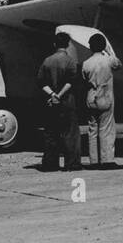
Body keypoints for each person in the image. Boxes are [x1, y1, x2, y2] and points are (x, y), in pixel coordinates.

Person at [38, 32, 81, 171]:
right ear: (68, 45)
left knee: (51, 133)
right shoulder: (70, 61)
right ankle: (72, 164)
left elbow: (41, 82)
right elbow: (71, 81)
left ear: (55, 44)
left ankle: (50, 164)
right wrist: (60, 95)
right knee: (70, 134)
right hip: (67, 101)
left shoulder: (47, 61)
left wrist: (52, 95)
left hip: (50, 102)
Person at [81, 33, 123, 169]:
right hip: (105, 96)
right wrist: (110, 52)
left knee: (92, 129)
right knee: (106, 129)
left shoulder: (86, 63)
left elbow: (84, 79)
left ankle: (94, 161)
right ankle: (107, 160)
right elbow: (118, 65)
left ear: (90, 47)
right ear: (103, 46)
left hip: (91, 97)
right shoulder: (108, 60)